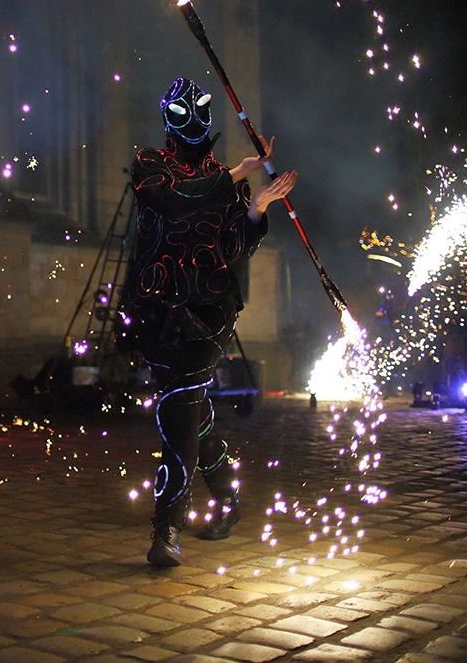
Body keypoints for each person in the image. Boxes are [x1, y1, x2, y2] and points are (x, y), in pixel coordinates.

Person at [123, 77, 296, 566]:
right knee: (191, 409)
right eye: (180, 113)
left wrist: (258, 207)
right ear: (167, 120)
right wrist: (239, 175)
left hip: (208, 313)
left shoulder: (228, 180)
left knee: (179, 405)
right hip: (158, 310)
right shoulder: (149, 166)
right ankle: (227, 498)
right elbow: (173, 199)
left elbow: (234, 247)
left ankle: (167, 526)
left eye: (197, 110)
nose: (191, 121)